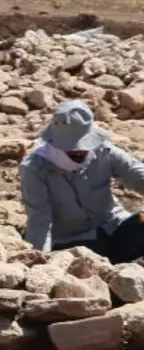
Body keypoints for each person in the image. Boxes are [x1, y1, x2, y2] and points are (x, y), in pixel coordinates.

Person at [20, 100, 144, 262]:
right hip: (73, 246)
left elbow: (136, 173)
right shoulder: (35, 169)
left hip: (112, 228)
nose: (80, 151)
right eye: (73, 149)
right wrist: (39, 261)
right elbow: (39, 220)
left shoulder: (102, 151)